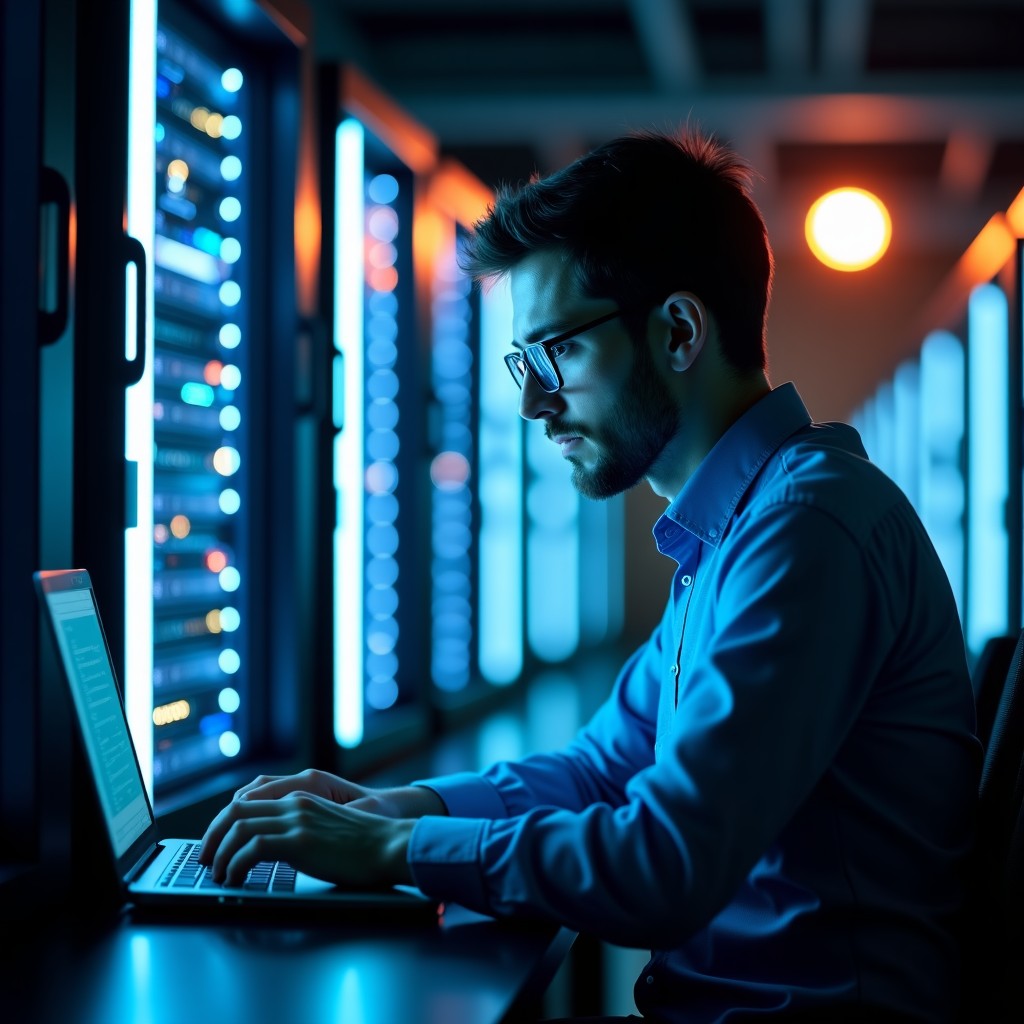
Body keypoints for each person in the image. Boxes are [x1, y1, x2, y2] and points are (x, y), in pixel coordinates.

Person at [199, 127, 982, 1022]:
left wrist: (401, 848)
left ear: (680, 331)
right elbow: (603, 769)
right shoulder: (737, 532)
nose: (534, 401)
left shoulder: (804, 531)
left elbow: (665, 865)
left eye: (559, 351)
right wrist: (385, 806)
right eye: (525, 362)